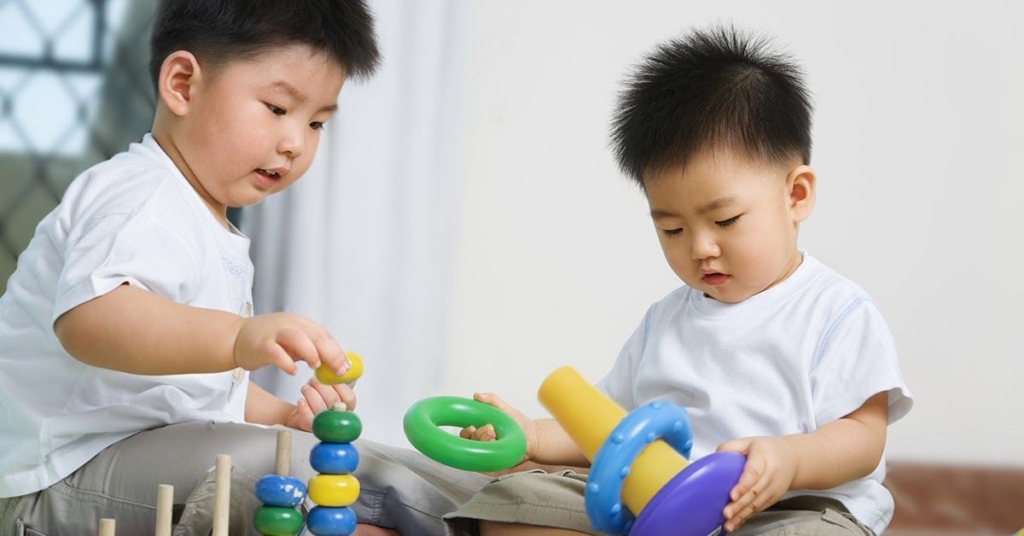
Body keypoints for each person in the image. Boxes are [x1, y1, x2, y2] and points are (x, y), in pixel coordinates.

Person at [0, 1, 490, 534]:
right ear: (183, 84)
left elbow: (194, 389)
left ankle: (481, 504)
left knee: (311, 459)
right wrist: (239, 336)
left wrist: (282, 418)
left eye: (318, 123)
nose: (295, 143)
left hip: (125, 462)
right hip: (56, 480)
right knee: (278, 468)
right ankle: (484, 513)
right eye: (278, 109)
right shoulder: (139, 196)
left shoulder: (210, 226)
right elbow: (91, 321)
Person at [445, 25, 913, 536]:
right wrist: (532, 436)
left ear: (796, 195)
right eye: (672, 228)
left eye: (726, 220)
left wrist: (788, 460)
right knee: (511, 504)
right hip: (662, 509)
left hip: (795, 508)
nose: (700, 248)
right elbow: (608, 429)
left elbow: (864, 439)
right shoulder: (665, 322)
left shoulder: (835, 311)